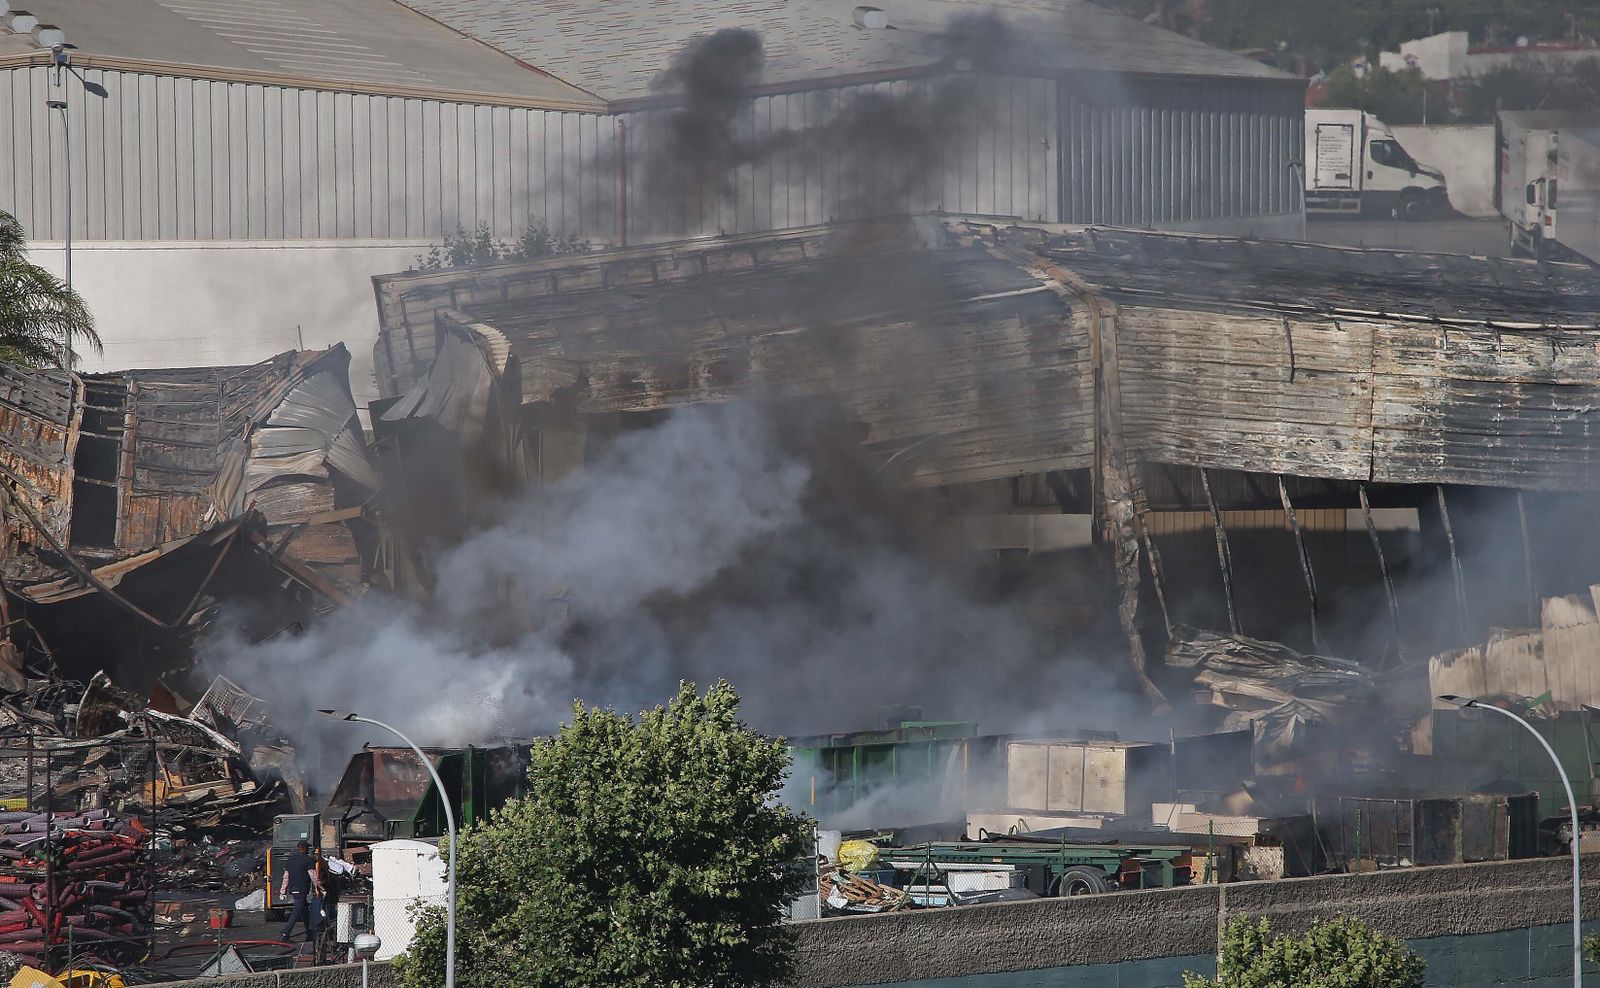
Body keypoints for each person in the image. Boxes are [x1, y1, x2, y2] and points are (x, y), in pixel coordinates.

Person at [278, 840, 323, 943]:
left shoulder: (291, 859)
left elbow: (286, 876)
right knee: (297, 911)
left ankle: (310, 934)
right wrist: (321, 888)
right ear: (305, 848)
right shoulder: (308, 860)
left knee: (304, 910)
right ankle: (285, 933)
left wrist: (283, 891)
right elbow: (313, 876)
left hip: (293, 889)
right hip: (302, 889)